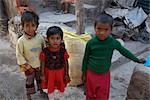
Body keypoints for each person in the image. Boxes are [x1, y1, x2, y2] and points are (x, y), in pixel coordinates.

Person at [81, 13, 145, 100]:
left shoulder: (113, 42)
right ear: (94, 28)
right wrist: (84, 73)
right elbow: (86, 58)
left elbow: (124, 51)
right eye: (99, 29)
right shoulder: (91, 43)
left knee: (102, 95)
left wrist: (136, 59)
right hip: (91, 73)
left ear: (111, 30)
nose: (102, 32)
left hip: (104, 75)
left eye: (106, 29)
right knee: (90, 94)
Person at [16, 11, 46, 100]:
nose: (30, 28)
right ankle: (28, 95)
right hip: (29, 67)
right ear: (23, 26)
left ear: (36, 26)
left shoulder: (40, 38)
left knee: (40, 79)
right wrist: (27, 66)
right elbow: (19, 55)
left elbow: (44, 50)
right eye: (27, 25)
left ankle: (41, 90)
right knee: (29, 81)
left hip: (39, 65)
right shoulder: (21, 41)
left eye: (33, 25)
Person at [40, 26, 70, 99]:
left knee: (61, 88)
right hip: (49, 74)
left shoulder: (63, 51)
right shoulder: (45, 51)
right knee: (50, 89)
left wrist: (66, 74)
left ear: (61, 40)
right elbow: (42, 62)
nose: (55, 41)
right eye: (52, 38)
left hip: (60, 73)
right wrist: (42, 74)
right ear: (48, 39)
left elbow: (66, 62)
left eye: (57, 38)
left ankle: (61, 98)